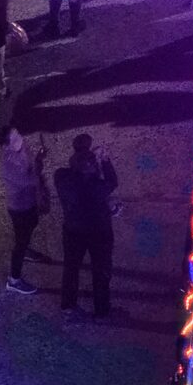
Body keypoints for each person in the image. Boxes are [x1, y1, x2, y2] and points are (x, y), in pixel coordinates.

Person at [55, 132, 119, 318]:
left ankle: (68, 305)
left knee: (71, 267)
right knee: (101, 269)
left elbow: (73, 169)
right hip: (99, 233)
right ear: (92, 169)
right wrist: (104, 160)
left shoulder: (61, 178)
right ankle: (102, 310)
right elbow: (112, 181)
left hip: (73, 230)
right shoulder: (98, 187)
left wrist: (84, 153)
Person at [0, 125, 47, 295]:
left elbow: (31, 170)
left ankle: (25, 250)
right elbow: (30, 180)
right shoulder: (9, 165)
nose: (21, 138)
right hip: (19, 207)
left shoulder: (21, 148)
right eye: (16, 138)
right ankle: (14, 280)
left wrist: (37, 159)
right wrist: (39, 163)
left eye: (18, 134)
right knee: (21, 241)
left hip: (29, 202)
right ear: (7, 145)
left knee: (32, 224)